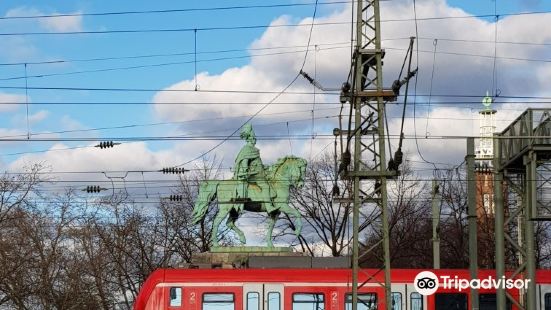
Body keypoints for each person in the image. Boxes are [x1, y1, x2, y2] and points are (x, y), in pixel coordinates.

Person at [233, 124, 275, 212]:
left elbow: (255, 163)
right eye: (254, 139)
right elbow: (245, 161)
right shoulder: (248, 148)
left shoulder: (252, 149)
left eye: (255, 139)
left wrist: (263, 167)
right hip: (252, 175)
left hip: (256, 173)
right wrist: (245, 171)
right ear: (250, 139)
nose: (255, 141)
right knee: (265, 186)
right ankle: (269, 207)